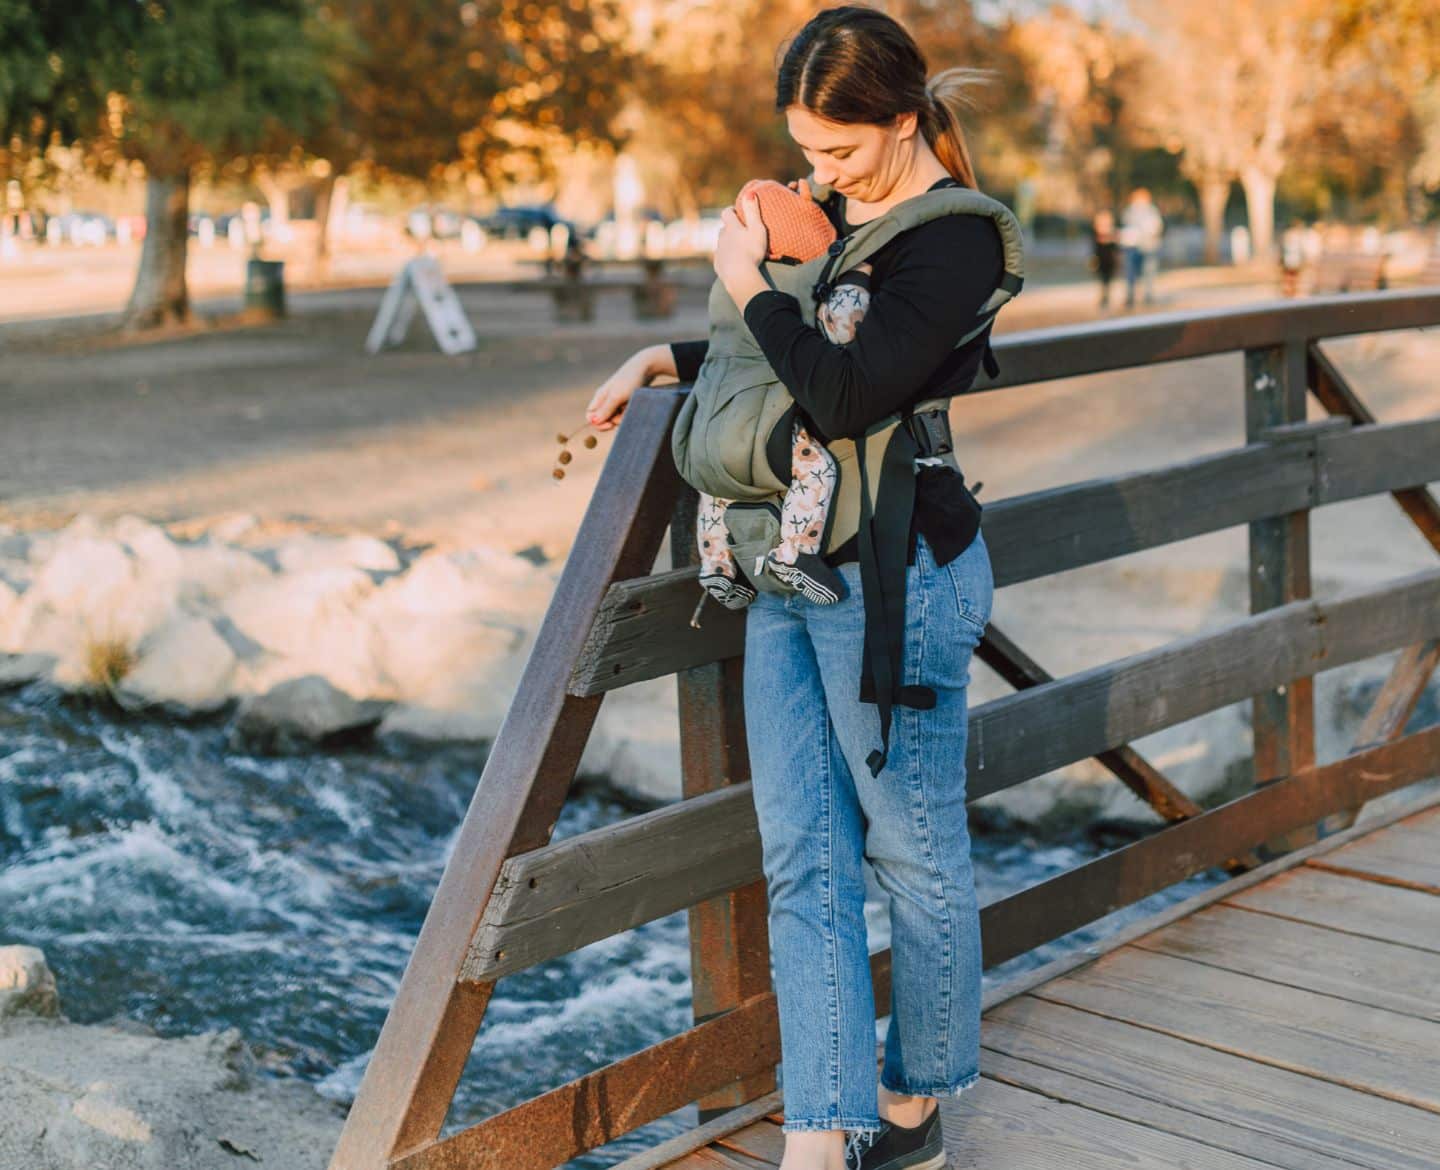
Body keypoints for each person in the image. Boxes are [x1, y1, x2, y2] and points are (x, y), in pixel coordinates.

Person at [586, 7, 1000, 1169]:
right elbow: (778, 356)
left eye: (839, 150)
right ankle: (819, 1133)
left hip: (898, 572)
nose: (818, 175)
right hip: (786, 567)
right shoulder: (833, 219)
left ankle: (914, 1106)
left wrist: (743, 280)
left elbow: (846, 392)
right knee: (803, 856)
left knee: (911, 853)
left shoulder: (954, 239)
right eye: (807, 151)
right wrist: (666, 357)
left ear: (904, 120)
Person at [1119, 186, 1163, 308]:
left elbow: (1156, 227)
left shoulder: (1152, 211)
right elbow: (1126, 227)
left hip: (1149, 246)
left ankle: (1148, 295)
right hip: (1132, 246)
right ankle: (1130, 295)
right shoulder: (1129, 211)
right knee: (1130, 272)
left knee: (1149, 272)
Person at [1090, 207, 1119, 310]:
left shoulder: (1113, 231)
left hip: (1110, 259)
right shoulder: (1095, 232)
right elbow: (1094, 247)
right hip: (1101, 258)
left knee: (1108, 278)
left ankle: (1106, 296)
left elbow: (1116, 247)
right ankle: (1104, 297)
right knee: (1103, 278)